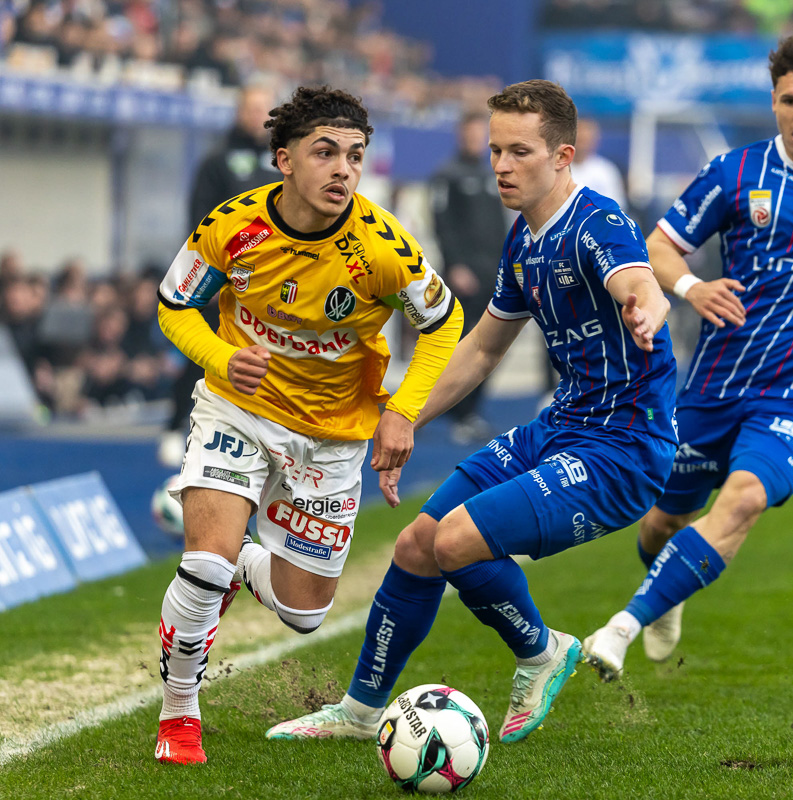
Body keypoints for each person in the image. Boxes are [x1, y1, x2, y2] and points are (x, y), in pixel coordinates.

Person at [264, 79, 677, 745]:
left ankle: (542, 651)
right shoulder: (524, 240)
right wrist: (404, 417)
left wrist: (646, 305)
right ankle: (361, 712)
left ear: (563, 156)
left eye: (519, 152)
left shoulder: (596, 224)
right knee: (417, 545)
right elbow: (482, 349)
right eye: (495, 151)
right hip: (562, 426)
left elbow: (637, 280)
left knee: (456, 541)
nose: (501, 166)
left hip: (624, 448)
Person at [581, 35, 793, 680]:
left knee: (743, 499)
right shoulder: (734, 173)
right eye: (790, 101)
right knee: (662, 523)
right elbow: (658, 246)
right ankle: (667, 592)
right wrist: (692, 287)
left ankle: (622, 627)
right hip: (718, 384)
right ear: (774, 102)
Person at [152, 85, 464, 765]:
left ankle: (239, 560)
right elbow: (173, 304)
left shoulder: (383, 249)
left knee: (303, 612)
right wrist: (221, 358)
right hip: (238, 409)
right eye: (326, 152)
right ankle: (179, 713)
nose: (343, 169)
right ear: (284, 159)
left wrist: (402, 411)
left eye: (354, 155)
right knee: (202, 565)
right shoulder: (231, 226)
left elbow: (445, 323)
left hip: (332, 437)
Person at [159, 85, 280, 467]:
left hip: (269, 280)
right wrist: (208, 272)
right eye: (251, 108)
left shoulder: (282, 161)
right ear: (239, 111)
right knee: (201, 352)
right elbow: (200, 219)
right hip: (222, 274)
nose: (258, 115)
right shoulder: (217, 161)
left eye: (264, 108)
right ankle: (175, 425)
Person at [428, 112, 511, 444]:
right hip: (463, 275)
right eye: (470, 134)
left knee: (493, 343)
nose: (475, 140)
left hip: (494, 273)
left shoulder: (495, 174)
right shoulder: (447, 175)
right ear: (461, 135)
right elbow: (442, 224)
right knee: (463, 344)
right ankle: (458, 413)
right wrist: (455, 266)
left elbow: (502, 225)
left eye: (481, 135)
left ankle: (472, 411)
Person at [571, 117, 627, 210]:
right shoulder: (556, 168)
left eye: (586, 138)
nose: (582, 142)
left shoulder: (606, 170)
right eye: (580, 139)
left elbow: (615, 206)